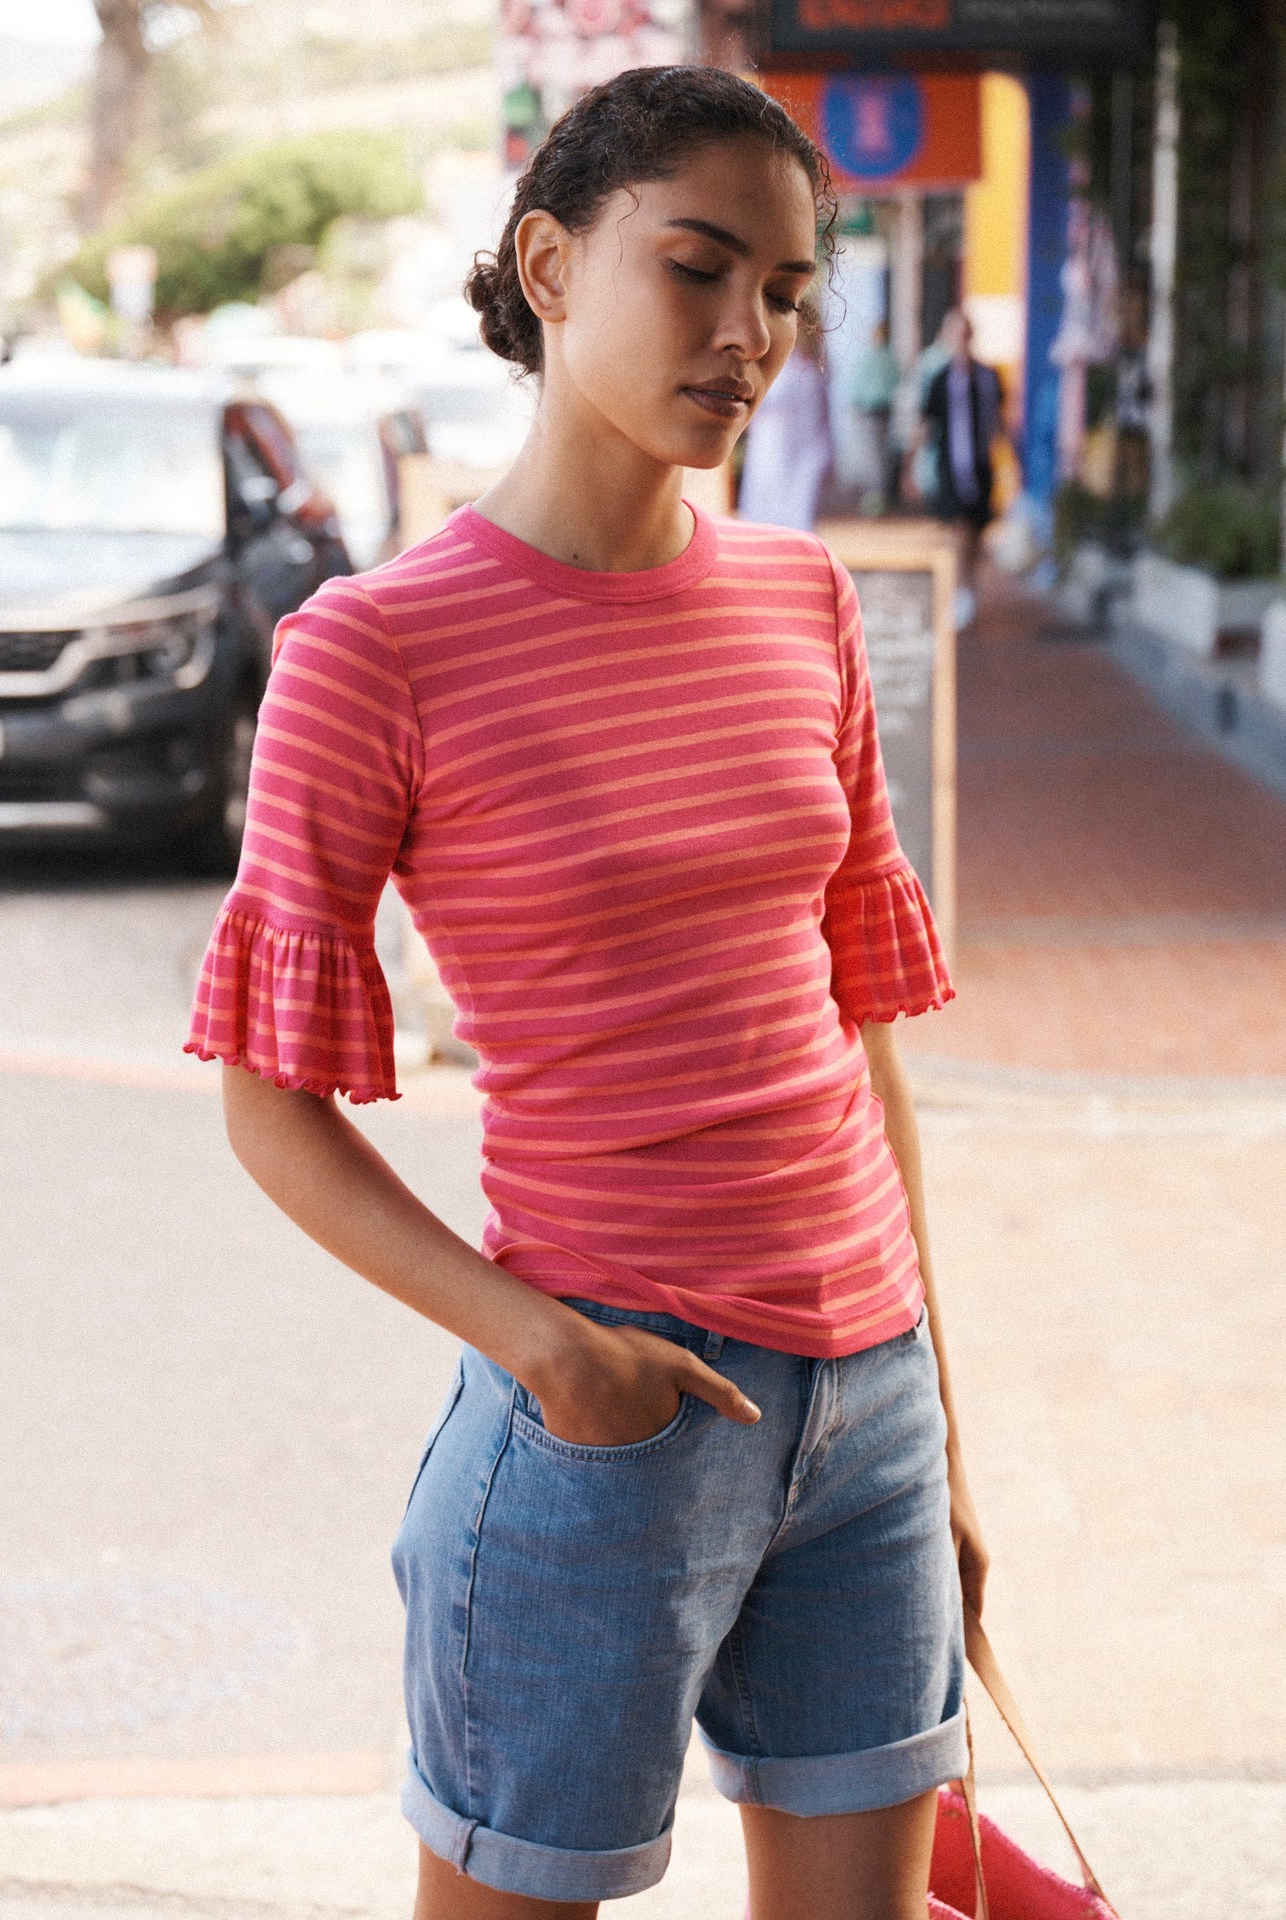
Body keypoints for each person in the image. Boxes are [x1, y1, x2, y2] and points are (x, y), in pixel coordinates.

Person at [188, 65, 987, 1920]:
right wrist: (545, 1350)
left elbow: (856, 1025)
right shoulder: (373, 649)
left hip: (870, 1407)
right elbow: (264, 1098)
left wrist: (934, 1410)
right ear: (548, 265)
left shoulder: (805, 604)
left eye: (785, 292)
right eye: (697, 269)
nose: (749, 335)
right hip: (608, 1408)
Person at [917, 309, 1002, 629]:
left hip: (981, 467)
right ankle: (961, 591)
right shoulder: (940, 378)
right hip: (952, 467)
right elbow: (927, 421)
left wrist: (1012, 462)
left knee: (977, 531)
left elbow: (998, 421)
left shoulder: (988, 377)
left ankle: (969, 585)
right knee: (960, 528)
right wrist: (911, 463)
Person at [736, 322, 833, 531]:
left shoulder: (807, 368)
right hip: (773, 444)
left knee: (794, 507)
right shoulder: (790, 365)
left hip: (794, 447)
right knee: (768, 506)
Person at [849, 316, 899, 513]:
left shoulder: (873, 357)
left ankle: (877, 497)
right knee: (880, 455)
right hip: (881, 411)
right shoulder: (888, 357)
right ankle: (880, 496)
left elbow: (858, 385)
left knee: (875, 456)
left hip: (873, 411)